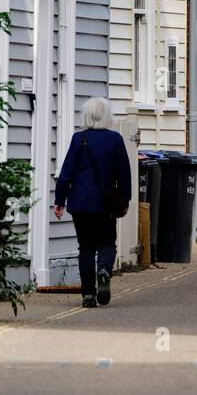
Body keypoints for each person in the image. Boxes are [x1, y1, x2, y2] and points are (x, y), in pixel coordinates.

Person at [54, 97, 131, 308]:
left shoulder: (78, 139)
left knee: (86, 248)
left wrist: (59, 200)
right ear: (107, 116)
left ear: (86, 116)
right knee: (107, 242)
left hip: (80, 202)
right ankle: (104, 269)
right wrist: (125, 199)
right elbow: (124, 173)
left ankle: (88, 295)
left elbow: (66, 173)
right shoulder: (115, 139)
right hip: (105, 203)